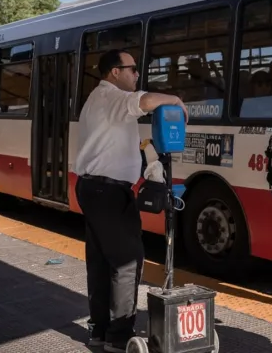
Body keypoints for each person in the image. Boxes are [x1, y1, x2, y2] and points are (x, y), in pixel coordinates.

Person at [73, 49, 187, 353]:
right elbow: (146, 101)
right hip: (108, 192)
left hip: (93, 188)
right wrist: (174, 100)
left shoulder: (99, 100)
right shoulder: (111, 98)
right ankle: (119, 335)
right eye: (132, 69)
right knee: (127, 262)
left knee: (100, 262)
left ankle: (100, 330)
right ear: (114, 72)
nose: (137, 75)